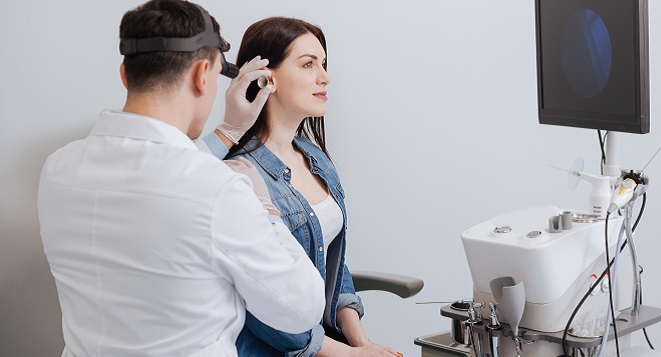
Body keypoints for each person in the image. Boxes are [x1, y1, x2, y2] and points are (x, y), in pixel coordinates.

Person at [37, 2, 325, 356]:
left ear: (125, 74)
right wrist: (266, 209)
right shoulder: (220, 189)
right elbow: (301, 308)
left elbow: (161, 178)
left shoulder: (58, 170)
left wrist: (227, 133)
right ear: (203, 75)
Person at [200, 17, 401, 357]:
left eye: (323, 64)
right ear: (267, 79)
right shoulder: (239, 175)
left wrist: (361, 342)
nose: (325, 77)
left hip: (329, 344)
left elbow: (331, 263)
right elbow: (264, 308)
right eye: (308, 64)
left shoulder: (314, 158)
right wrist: (348, 354)